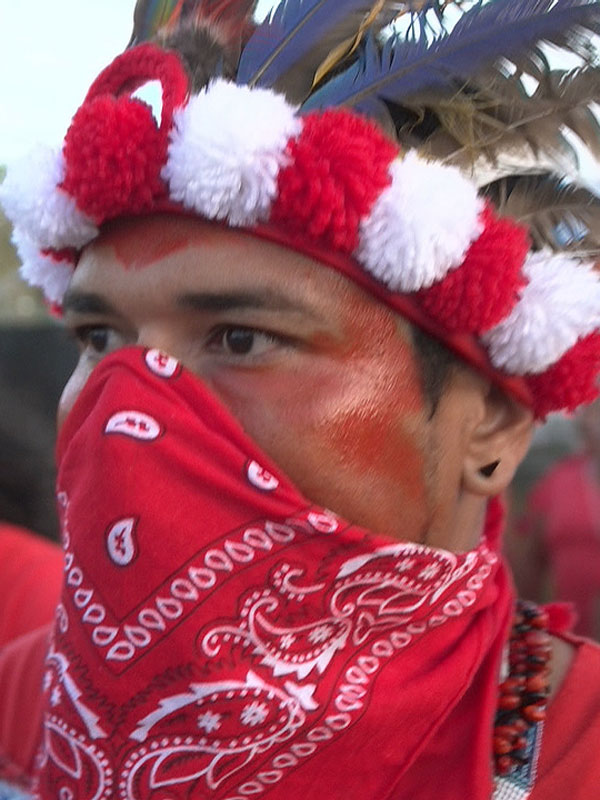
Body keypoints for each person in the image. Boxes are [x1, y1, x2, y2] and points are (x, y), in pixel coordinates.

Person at [1, 1, 600, 798]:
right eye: (99, 339)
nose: (128, 412)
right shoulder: (20, 701)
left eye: (240, 339)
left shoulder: (577, 753)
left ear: (490, 421)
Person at [515, 400, 600, 639]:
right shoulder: (557, 482)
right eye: (586, 411)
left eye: (596, 411)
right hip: (572, 646)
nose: (585, 421)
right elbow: (528, 565)